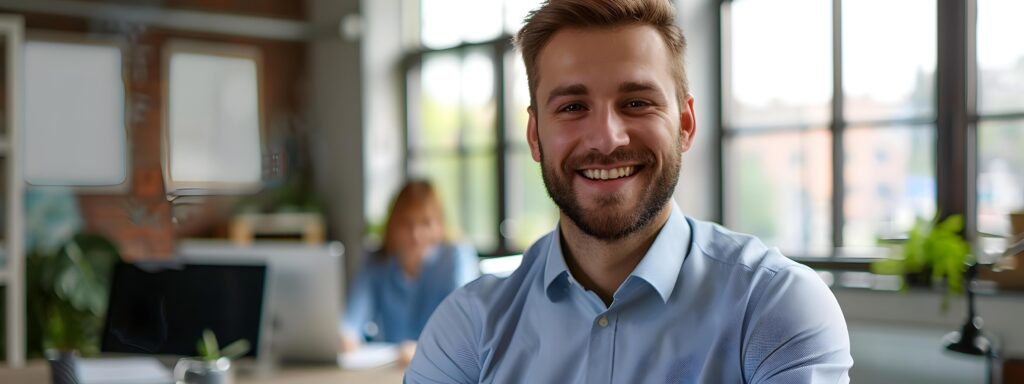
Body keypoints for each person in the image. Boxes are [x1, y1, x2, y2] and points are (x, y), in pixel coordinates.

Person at [406, 0, 853, 382]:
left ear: (685, 124)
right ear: (535, 134)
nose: (606, 138)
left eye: (636, 102)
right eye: (573, 107)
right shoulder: (467, 330)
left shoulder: (774, 308)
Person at [341, 180, 478, 365]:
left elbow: (463, 326)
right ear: (392, 224)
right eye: (406, 223)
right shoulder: (376, 260)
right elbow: (352, 320)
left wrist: (424, 349)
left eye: (425, 222)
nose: (415, 234)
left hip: (442, 370)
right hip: (388, 369)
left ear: (439, 224)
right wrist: (345, 337)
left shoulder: (456, 257)